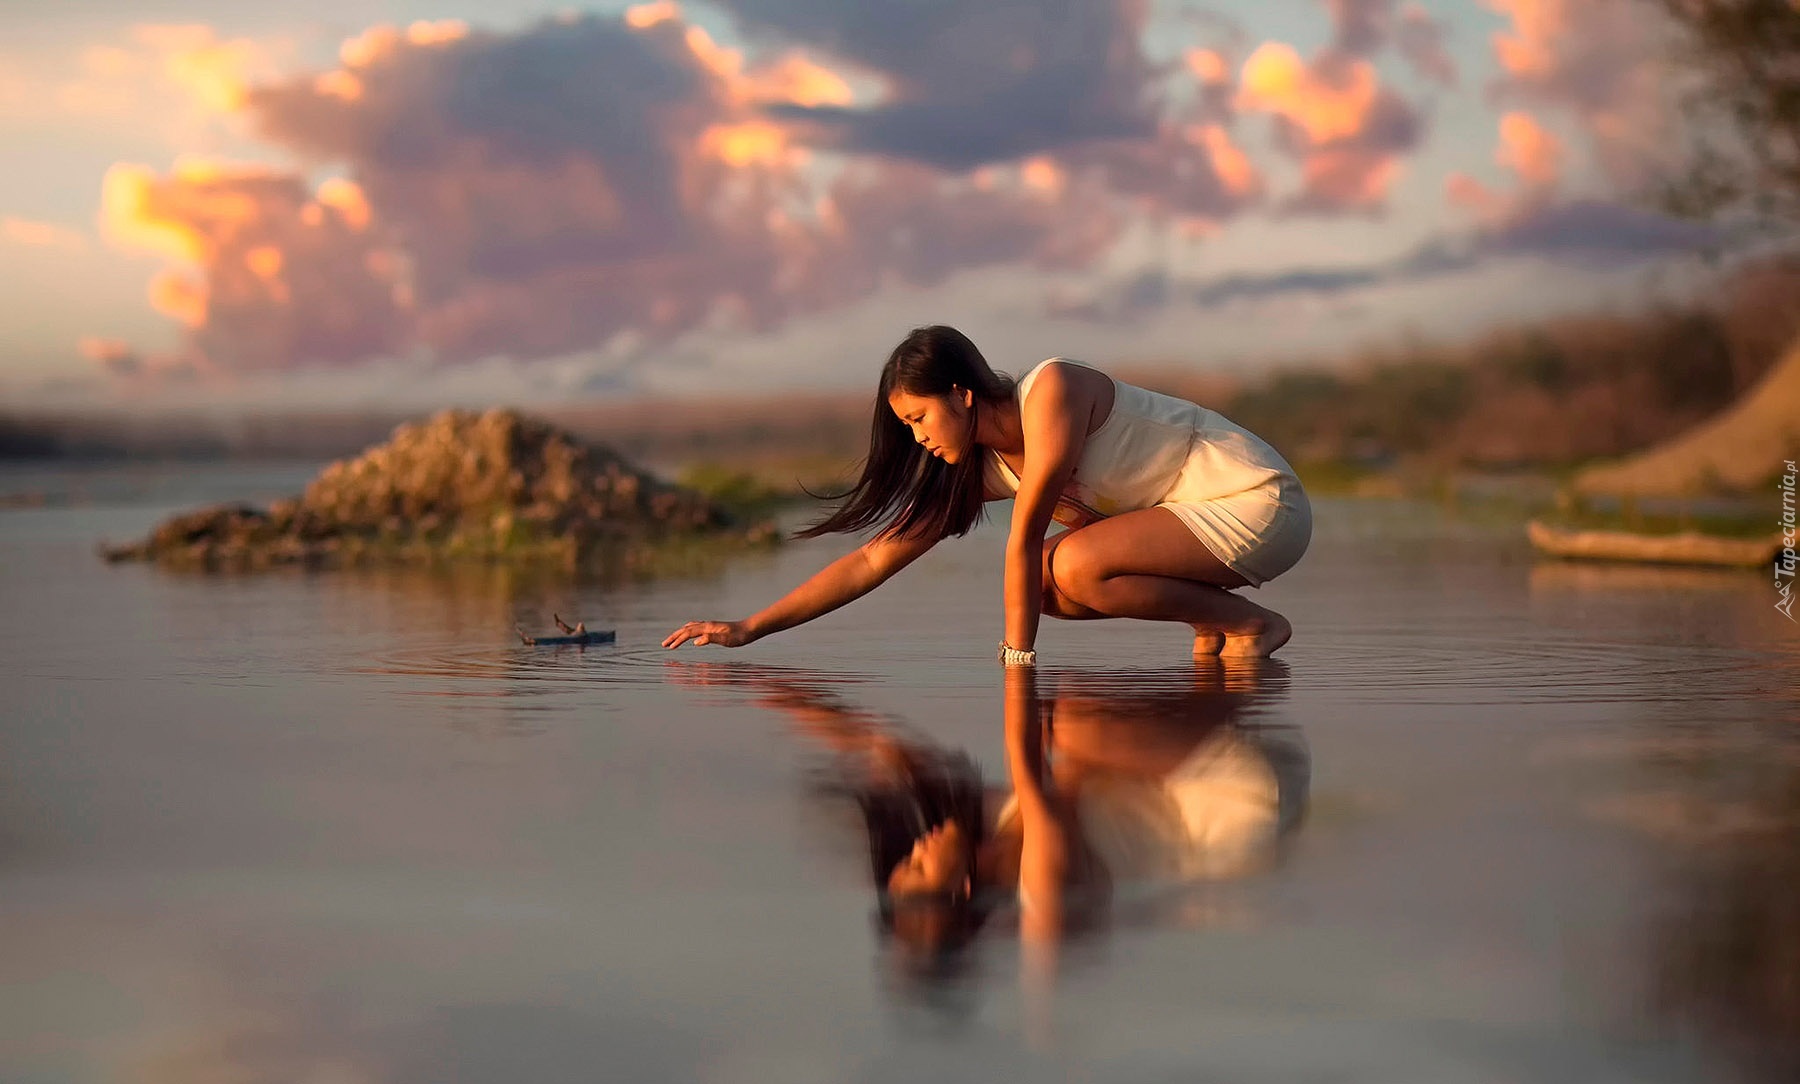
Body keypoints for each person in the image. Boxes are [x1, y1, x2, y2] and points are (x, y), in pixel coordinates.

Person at [663, 325, 1311, 660]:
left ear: (961, 395)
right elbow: (873, 559)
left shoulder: (1051, 391)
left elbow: (1026, 540)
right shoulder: (988, 469)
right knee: (1052, 591)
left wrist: (1018, 664)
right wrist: (748, 629)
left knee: (1062, 564)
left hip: (1257, 501)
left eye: (918, 420)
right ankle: (1219, 629)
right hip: (1193, 524)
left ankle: (1251, 624)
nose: (916, 439)